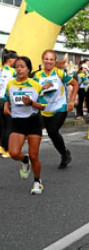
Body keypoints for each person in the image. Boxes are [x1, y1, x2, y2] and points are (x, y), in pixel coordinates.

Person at [4, 56, 47, 194]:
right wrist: (6, 106)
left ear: (28, 69)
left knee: (35, 156)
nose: (19, 69)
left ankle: (37, 181)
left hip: (33, 121)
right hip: (17, 121)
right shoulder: (11, 84)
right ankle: (24, 159)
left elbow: (43, 105)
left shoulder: (35, 85)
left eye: (22, 67)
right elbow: (6, 97)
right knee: (14, 153)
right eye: (17, 67)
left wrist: (31, 103)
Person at [33, 50, 78, 168]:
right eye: (46, 59)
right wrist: (42, 88)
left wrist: (71, 101)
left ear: (55, 61)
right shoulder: (37, 75)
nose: (49, 61)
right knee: (44, 133)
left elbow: (75, 84)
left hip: (59, 107)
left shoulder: (59, 73)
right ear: (42, 60)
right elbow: (33, 91)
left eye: (51, 59)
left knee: (52, 131)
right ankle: (64, 151)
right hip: (44, 109)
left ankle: (64, 154)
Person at [0, 49, 18, 158]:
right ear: (11, 60)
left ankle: (1, 148)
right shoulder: (13, 72)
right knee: (9, 126)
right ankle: (6, 149)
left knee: (1, 126)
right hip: (7, 101)